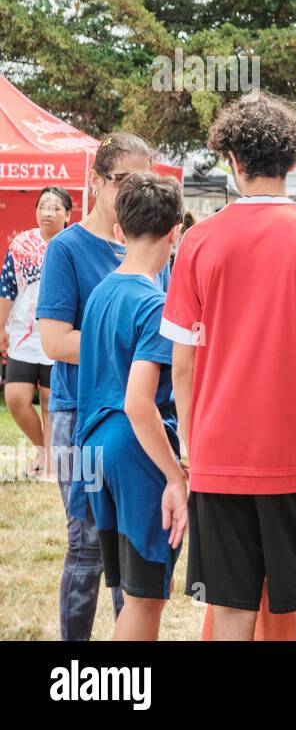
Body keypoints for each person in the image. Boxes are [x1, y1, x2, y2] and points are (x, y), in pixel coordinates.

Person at [161, 92, 296, 641]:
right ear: (294, 162)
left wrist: (190, 445)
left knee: (230, 614)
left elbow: (181, 361)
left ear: (232, 160)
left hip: (217, 459)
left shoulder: (198, 242)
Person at [37, 132, 159, 641]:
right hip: (78, 413)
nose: (134, 190)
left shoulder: (153, 247)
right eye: (123, 179)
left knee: (127, 545)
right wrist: (124, 341)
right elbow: (53, 340)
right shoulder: (67, 248)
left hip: (139, 416)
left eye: (144, 180)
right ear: (96, 182)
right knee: (87, 544)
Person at [76, 173, 185, 640]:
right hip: (132, 448)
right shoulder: (155, 304)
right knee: (145, 599)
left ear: (119, 231)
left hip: (92, 446)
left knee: (130, 592)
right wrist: (177, 474)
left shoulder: (101, 293)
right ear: (175, 231)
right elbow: (140, 404)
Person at [0, 186, 72, 477]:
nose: (48, 212)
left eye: (56, 207)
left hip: (58, 336)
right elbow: (7, 288)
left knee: (48, 401)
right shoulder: (21, 244)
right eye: (43, 206)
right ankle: (43, 450)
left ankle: (51, 462)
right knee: (16, 397)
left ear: (68, 213)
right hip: (24, 336)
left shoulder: (72, 245)